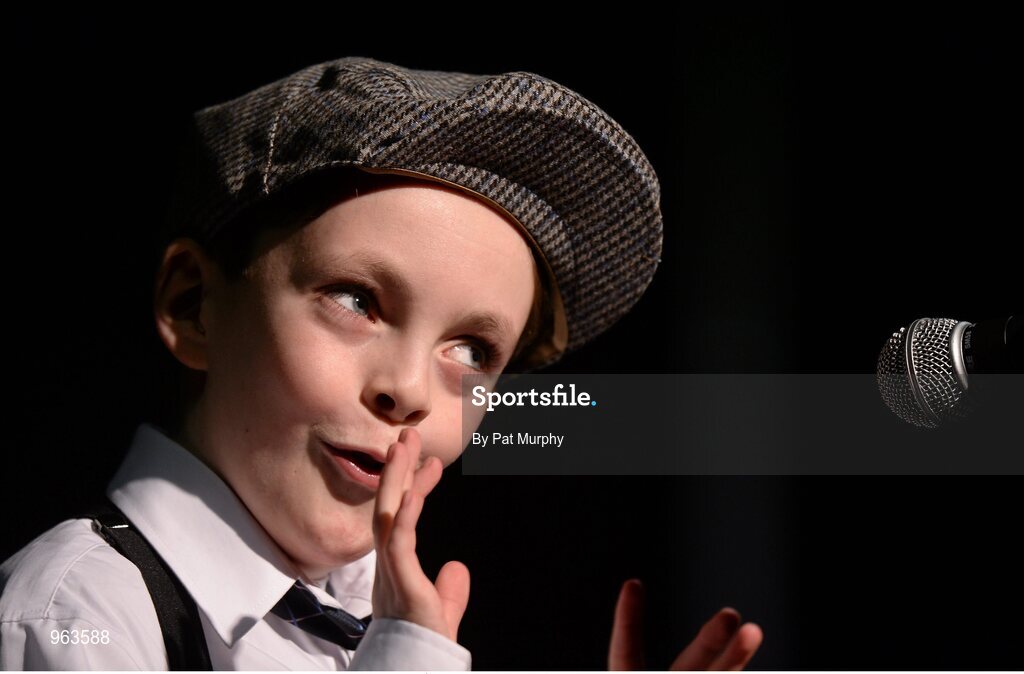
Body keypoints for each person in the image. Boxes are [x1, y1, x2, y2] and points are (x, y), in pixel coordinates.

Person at [0, 56, 762, 670]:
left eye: (473, 351)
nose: (408, 391)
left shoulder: (378, 624)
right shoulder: (81, 612)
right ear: (194, 304)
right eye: (357, 301)